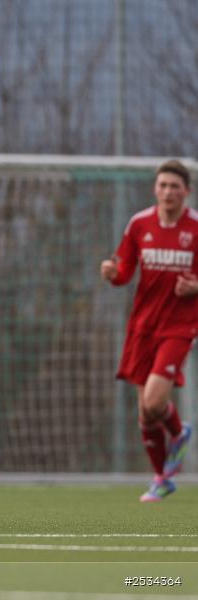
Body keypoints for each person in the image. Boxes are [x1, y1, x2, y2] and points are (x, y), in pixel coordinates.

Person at [100, 160, 196, 502]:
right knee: (145, 412)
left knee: (156, 401)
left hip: (179, 326)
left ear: (186, 191)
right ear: (155, 189)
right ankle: (161, 478)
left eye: (174, 186)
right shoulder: (139, 223)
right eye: (163, 185)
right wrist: (113, 274)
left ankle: (179, 433)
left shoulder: (195, 228)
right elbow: (125, 270)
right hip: (143, 325)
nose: (168, 192)